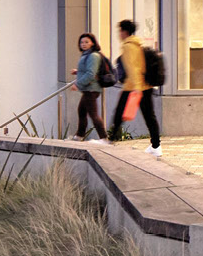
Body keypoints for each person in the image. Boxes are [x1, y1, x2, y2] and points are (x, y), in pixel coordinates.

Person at [112, 19, 163, 157]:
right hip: (144, 85)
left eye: (120, 31)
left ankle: (109, 141)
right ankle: (156, 146)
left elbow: (133, 68)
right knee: (149, 117)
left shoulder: (128, 46)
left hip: (133, 87)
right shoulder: (138, 43)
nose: (119, 34)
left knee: (119, 114)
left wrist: (136, 88)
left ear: (124, 31)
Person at [70, 33, 110, 143]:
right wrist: (77, 72)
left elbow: (91, 74)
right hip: (88, 89)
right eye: (82, 42)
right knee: (82, 111)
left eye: (86, 42)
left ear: (92, 43)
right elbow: (88, 70)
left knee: (93, 114)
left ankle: (104, 138)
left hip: (91, 89)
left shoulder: (93, 55)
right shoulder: (86, 54)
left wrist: (77, 84)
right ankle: (79, 136)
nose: (83, 44)